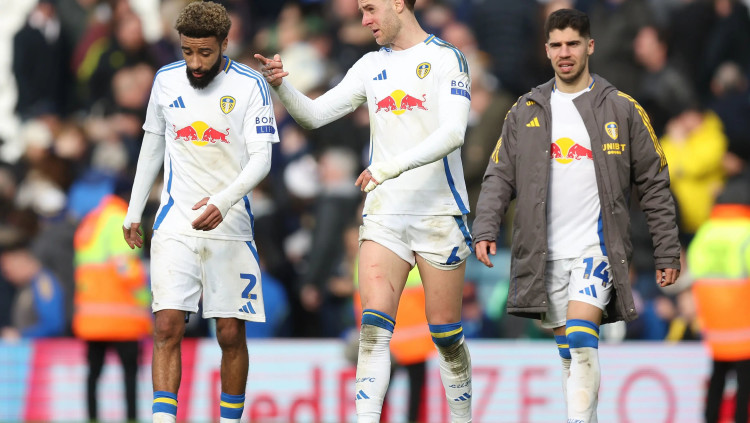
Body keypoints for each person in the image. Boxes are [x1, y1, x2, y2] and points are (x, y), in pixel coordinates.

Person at [255, 0, 474, 421]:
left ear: (398, 3)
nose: (364, 20)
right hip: (384, 212)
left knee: (446, 336)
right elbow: (314, 115)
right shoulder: (370, 65)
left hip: (438, 211)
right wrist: (282, 86)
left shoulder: (446, 58)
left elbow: (454, 133)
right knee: (373, 332)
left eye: (370, 8)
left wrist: (390, 166)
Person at [471, 9, 681, 423]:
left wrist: (667, 250)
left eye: (572, 44)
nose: (564, 53)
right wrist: (485, 226)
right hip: (545, 255)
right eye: (556, 45)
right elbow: (498, 174)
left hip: (597, 249)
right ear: (546, 50)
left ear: (590, 46)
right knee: (569, 356)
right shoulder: (525, 110)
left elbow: (655, 183)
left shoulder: (622, 109)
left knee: (583, 342)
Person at [121, 2, 279, 423]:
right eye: (187, 51)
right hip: (175, 221)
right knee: (167, 325)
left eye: (205, 52)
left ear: (225, 43)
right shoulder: (165, 80)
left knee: (230, 332)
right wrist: (134, 210)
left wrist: (222, 202)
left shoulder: (250, 85)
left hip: (230, 223)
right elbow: (152, 145)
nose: (195, 62)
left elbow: (262, 160)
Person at [73, 187, 152, 423]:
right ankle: (131, 418)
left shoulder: (92, 220)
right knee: (130, 374)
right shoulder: (121, 219)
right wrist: (147, 299)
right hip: (123, 316)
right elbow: (125, 267)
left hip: (92, 316)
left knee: (93, 373)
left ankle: (92, 418)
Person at [687, 168, 750, 423]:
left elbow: (694, 270)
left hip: (715, 322)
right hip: (744, 322)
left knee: (718, 374)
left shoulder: (706, 232)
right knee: (745, 381)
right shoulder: (746, 231)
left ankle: (710, 418)